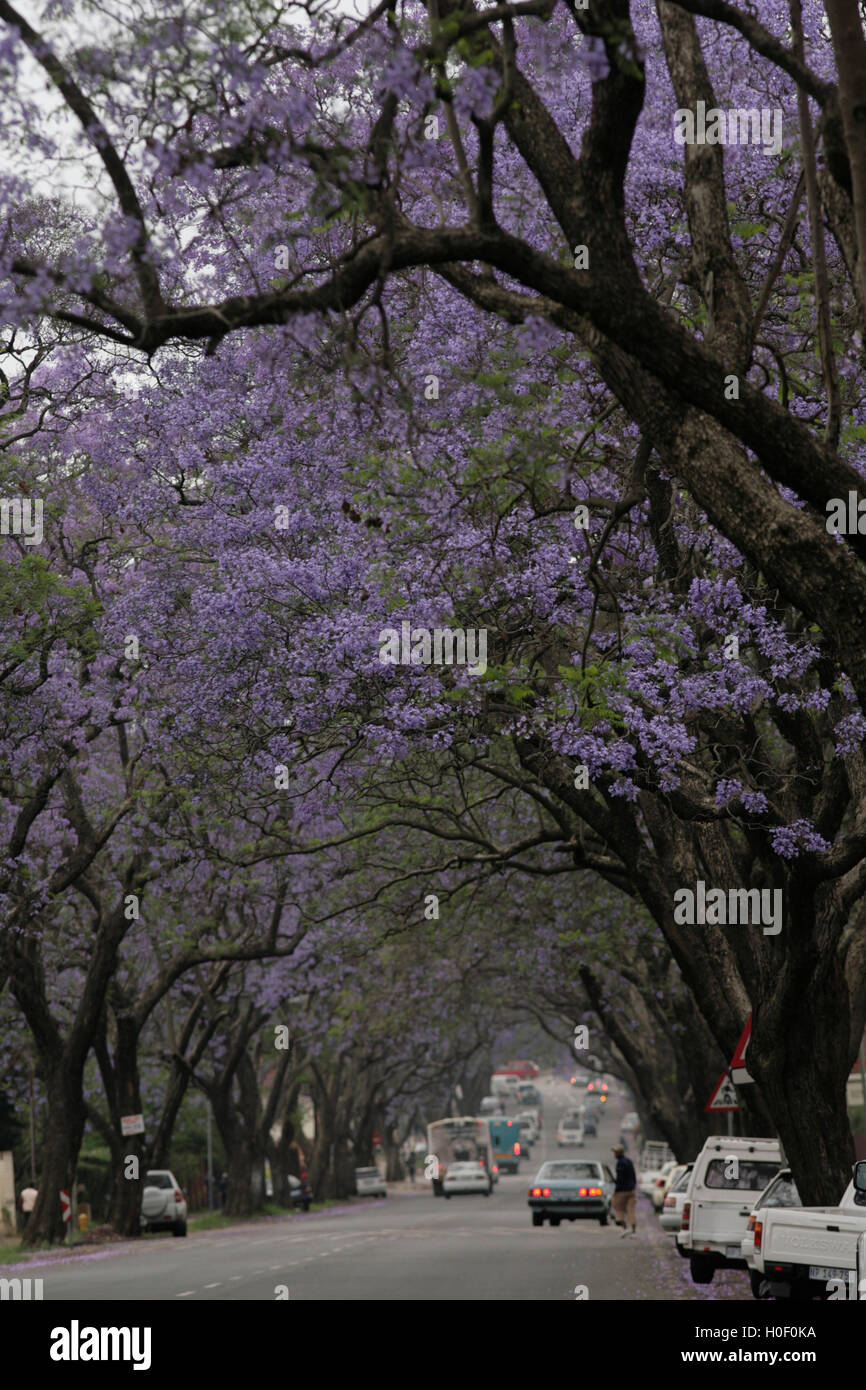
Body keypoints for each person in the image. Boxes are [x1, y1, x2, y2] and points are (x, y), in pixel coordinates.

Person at [611, 1144, 637, 1237]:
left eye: (615, 1152)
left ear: (618, 1153)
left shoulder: (620, 1163)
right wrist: (633, 1186)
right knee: (631, 1210)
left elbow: (620, 1178)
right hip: (631, 1190)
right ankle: (633, 1231)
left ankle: (625, 1228)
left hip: (622, 1191)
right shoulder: (629, 1161)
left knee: (618, 1209)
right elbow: (633, 1176)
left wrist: (616, 1189)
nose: (614, 1154)